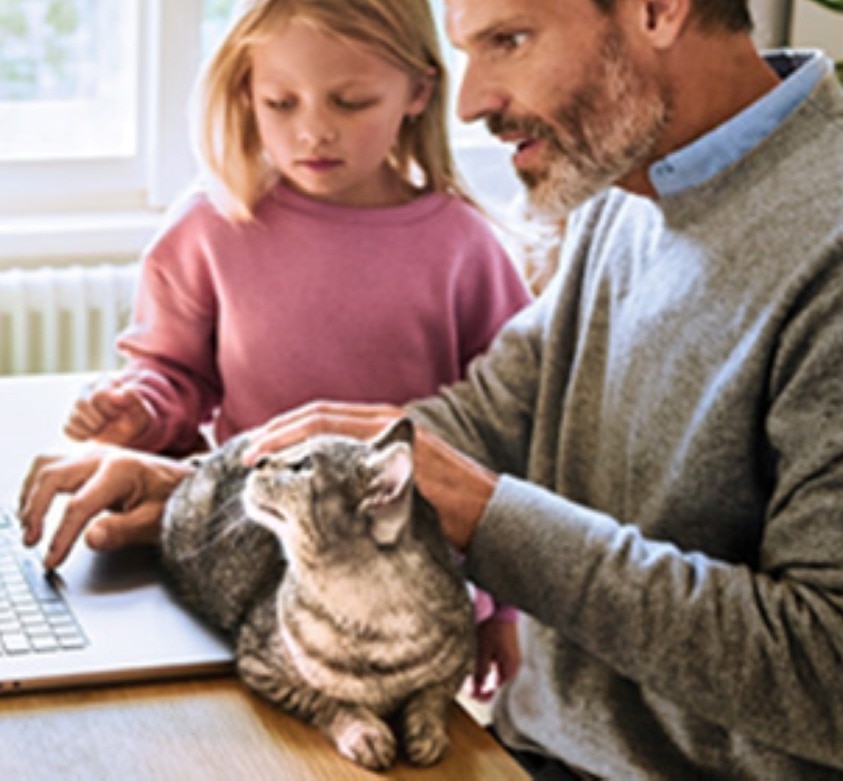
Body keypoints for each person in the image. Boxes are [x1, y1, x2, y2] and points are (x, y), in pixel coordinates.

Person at [18, 0, 843, 777]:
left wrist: (486, 516)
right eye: (466, 50)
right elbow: (476, 420)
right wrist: (209, 491)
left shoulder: (822, 245)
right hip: (520, 746)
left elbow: (826, 673)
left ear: (659, 8)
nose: (473, 100)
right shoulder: (628, 190)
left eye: (509, 40)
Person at [56, 0, 531, 699]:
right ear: (246, 92)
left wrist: (505, 604)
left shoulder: (465, 248)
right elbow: (171, 373)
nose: (313, 129)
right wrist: (137, 410)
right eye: (280, 102)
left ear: (418, 92)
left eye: (350, 100)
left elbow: (508, 438)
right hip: (243, 560)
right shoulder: (211, 226)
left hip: (399, 590)